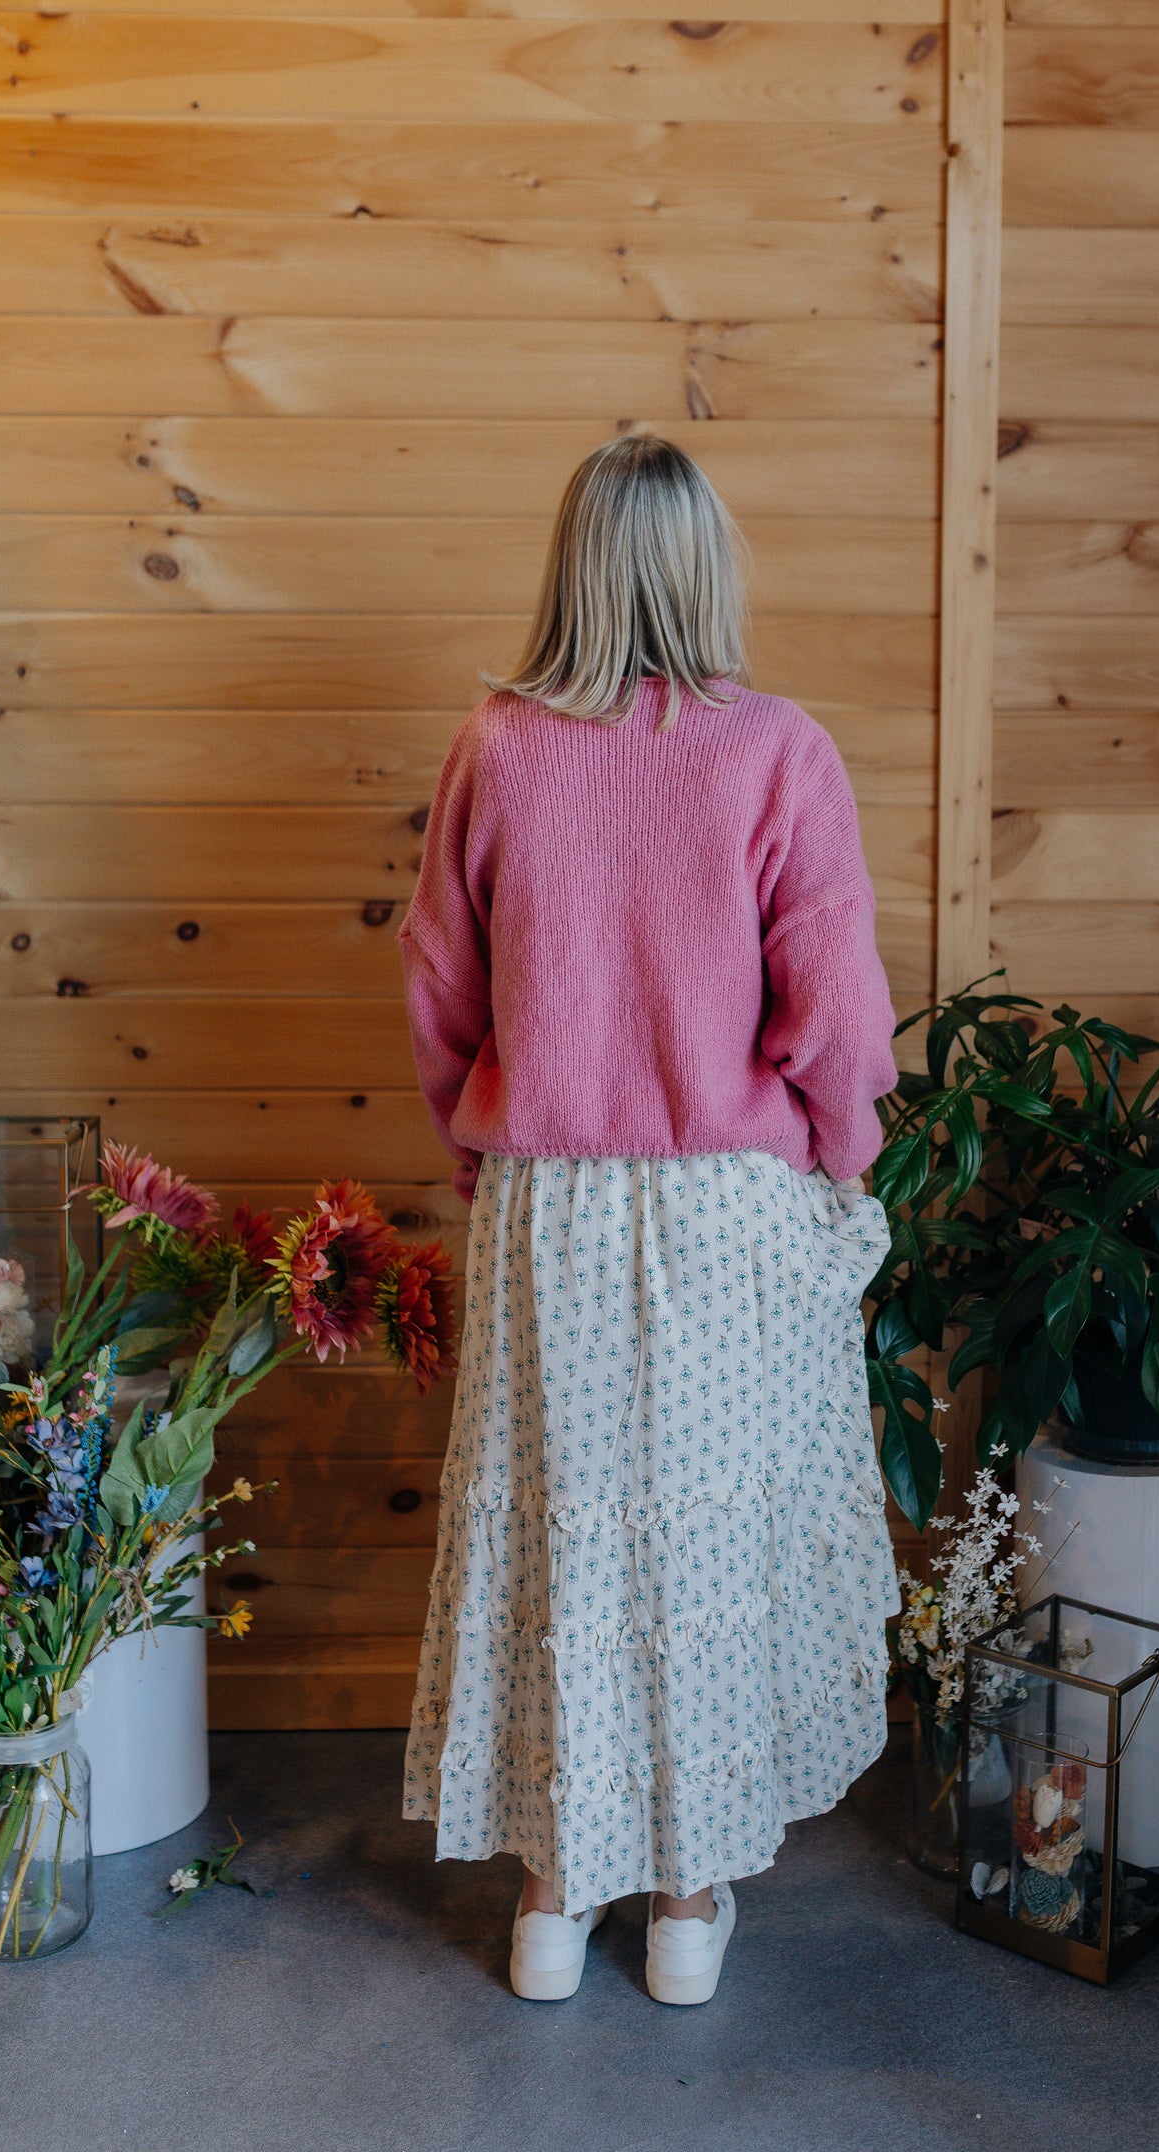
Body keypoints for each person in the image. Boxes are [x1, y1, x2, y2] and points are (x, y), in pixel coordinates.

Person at [399, 433, 899, 2006]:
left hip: (553, 1209)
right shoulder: (778, 750)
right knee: (704, 1544)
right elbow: (836, 1013)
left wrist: (484, 1158)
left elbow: (437, 984)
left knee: (565, 1545)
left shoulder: (495, 746)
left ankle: (553, 1901)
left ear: (573, 567)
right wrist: (844, 1159)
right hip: (726, 1212)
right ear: (705, 568)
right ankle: (685, 1906)